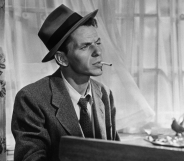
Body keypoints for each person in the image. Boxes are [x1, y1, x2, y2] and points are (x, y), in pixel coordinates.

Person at [11, 4, 120, 161]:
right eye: (85, 46)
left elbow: (115, 153)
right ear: (62, 58)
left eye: (98, 42)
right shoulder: (31, 99)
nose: (98, 52)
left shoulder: (104, 93)